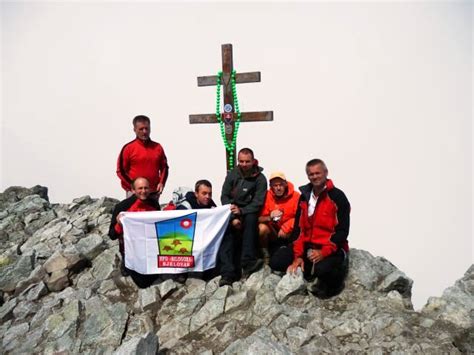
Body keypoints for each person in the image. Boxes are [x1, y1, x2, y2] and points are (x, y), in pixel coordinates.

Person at [275, 159, 350, 299]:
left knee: (324, 271)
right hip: (308, 245)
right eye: (311, 174)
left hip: (330, 247)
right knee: (277, 261)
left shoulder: (338, 197)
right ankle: (309, 269)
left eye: (318, 173)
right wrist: (297, 257)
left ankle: (336, 274)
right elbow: (298, 229)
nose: (314, 177)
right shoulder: (304, 197)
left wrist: (324, 252)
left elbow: (343, 231)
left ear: (326, 173)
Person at [218, 148, 268, 286]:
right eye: (241, 161)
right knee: (226, 232)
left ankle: (248, 261)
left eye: (247, 161)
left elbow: (258, 201)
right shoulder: (232, 174)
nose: (244, 164)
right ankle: (227, 274)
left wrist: (242, 211)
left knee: (251, 221)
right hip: (232, 209)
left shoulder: (260, 178)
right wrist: (233, 213)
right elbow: (224, 195)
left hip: (249, 210)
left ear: (253, 161)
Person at [108, 177, 160, 288]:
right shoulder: (122, 207)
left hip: (150, 250)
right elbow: (112, 235)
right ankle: (125, 264)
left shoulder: (154, 205)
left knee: (154, 277)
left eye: (146, 188)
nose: (143, 191)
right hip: (131, 251)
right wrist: (119, 224)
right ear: (133, 190)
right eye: (140, 188)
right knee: (142, 283)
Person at [116, 115, 169, 200]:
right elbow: (120, 171)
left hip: (153, 193)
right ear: (134, 130)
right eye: (141, 129)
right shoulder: (128, 148)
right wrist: (133, 186)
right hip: (134, 193)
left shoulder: (157, 147)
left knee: (153, 213)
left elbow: (164, 168)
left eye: (147, 128)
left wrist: (162, 183)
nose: (144, 131)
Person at [258, 172, 300, 264]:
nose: (278, 188)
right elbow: (258, 218)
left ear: (285, 183)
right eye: (275, 185)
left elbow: (301, 217)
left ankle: (295, 255)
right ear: (271, 186)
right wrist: (269, 217)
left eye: (280, 184)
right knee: (262, 228)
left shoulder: (296, 196)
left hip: (289, 233)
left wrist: (287, 227)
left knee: (298, 228)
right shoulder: (266, 196)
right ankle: (265, 254)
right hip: (273, 232)